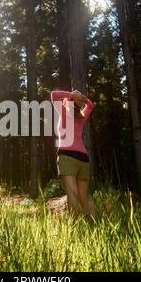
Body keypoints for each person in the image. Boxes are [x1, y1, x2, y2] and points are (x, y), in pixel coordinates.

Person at [51, 89, 94, 217]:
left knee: (72, 194)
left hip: (67, 156)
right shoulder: (81, 117)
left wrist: (72, 95)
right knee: (83, 197)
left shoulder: (64, 113)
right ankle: (91, 224)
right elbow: (90, 106)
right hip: (83, 158)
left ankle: (75, 227)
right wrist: (83, 98)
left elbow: (54, 94)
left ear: (68, 102)